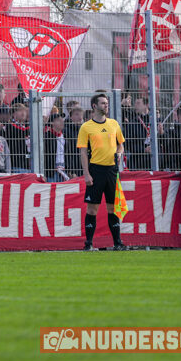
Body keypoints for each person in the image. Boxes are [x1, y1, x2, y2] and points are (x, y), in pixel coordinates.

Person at [78, 93, 126, 251]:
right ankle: (89, 243)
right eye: (103, 103)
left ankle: (118, 243)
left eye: (107, 103)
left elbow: (121, 145)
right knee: (92, 208)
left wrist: (119, 153)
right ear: (94, 106)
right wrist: (86, 173)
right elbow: (83, 152)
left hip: (111, 171)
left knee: (112, 208)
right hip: (96, 170)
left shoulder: (114, 124)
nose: (106, 105)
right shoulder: (86, 127)